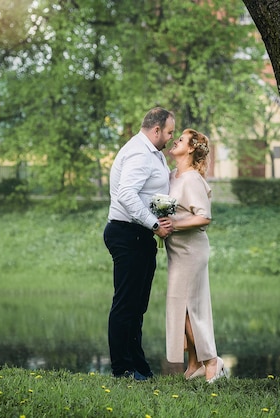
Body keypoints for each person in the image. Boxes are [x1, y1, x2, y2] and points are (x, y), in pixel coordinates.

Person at [103, 107, 176, 380]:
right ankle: (121, 369)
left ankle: (139, 367)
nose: (171, 137)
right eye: (169, 131)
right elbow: (126, 194)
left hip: (139, 235)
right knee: (126, 305)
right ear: (156, 129)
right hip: (127, 234)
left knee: (137, 307)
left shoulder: (151, 153)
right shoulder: (138, 153)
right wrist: (155, 224)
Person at [165, 128, 226, 383]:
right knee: (181, 307)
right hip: (176, 250)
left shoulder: (191, 179)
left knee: (190, 308)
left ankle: (212, 360)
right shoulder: (172, 176)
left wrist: (172, 225)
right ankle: (194, 364)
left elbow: (204, 216)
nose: (175, 140)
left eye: (180, 139)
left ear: (191, 149)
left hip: (191, 250)